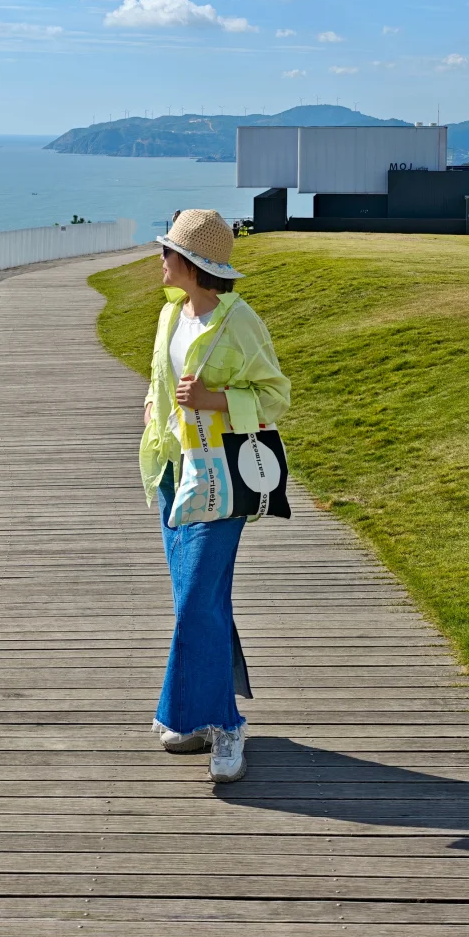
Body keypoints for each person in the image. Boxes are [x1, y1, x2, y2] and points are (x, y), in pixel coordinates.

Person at [140, 209, 290, 783]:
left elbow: (276, 396)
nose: (160, 260)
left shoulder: (239, 320)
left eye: (167, 252)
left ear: (193, 265)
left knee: (194, 600)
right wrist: (155, 407)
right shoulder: (170, 315)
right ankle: (192, 714)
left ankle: (225, 723)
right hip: (173, 472)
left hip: (222, 477)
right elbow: (160, 378)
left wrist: (214, 398)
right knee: (197, 598)